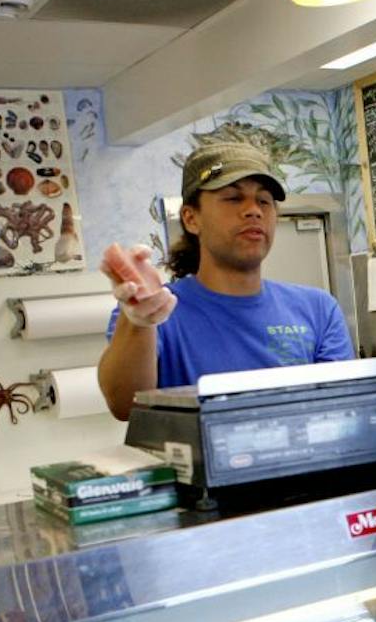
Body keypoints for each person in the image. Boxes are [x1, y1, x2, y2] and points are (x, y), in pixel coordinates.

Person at [98, 141, 354, 420]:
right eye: (233, 198)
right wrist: (138, 323)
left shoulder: (318, 309)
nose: (253, 210)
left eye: (264, 201)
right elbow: (125, 406)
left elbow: (341, 410)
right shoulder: (158, 311)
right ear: (191, 218)